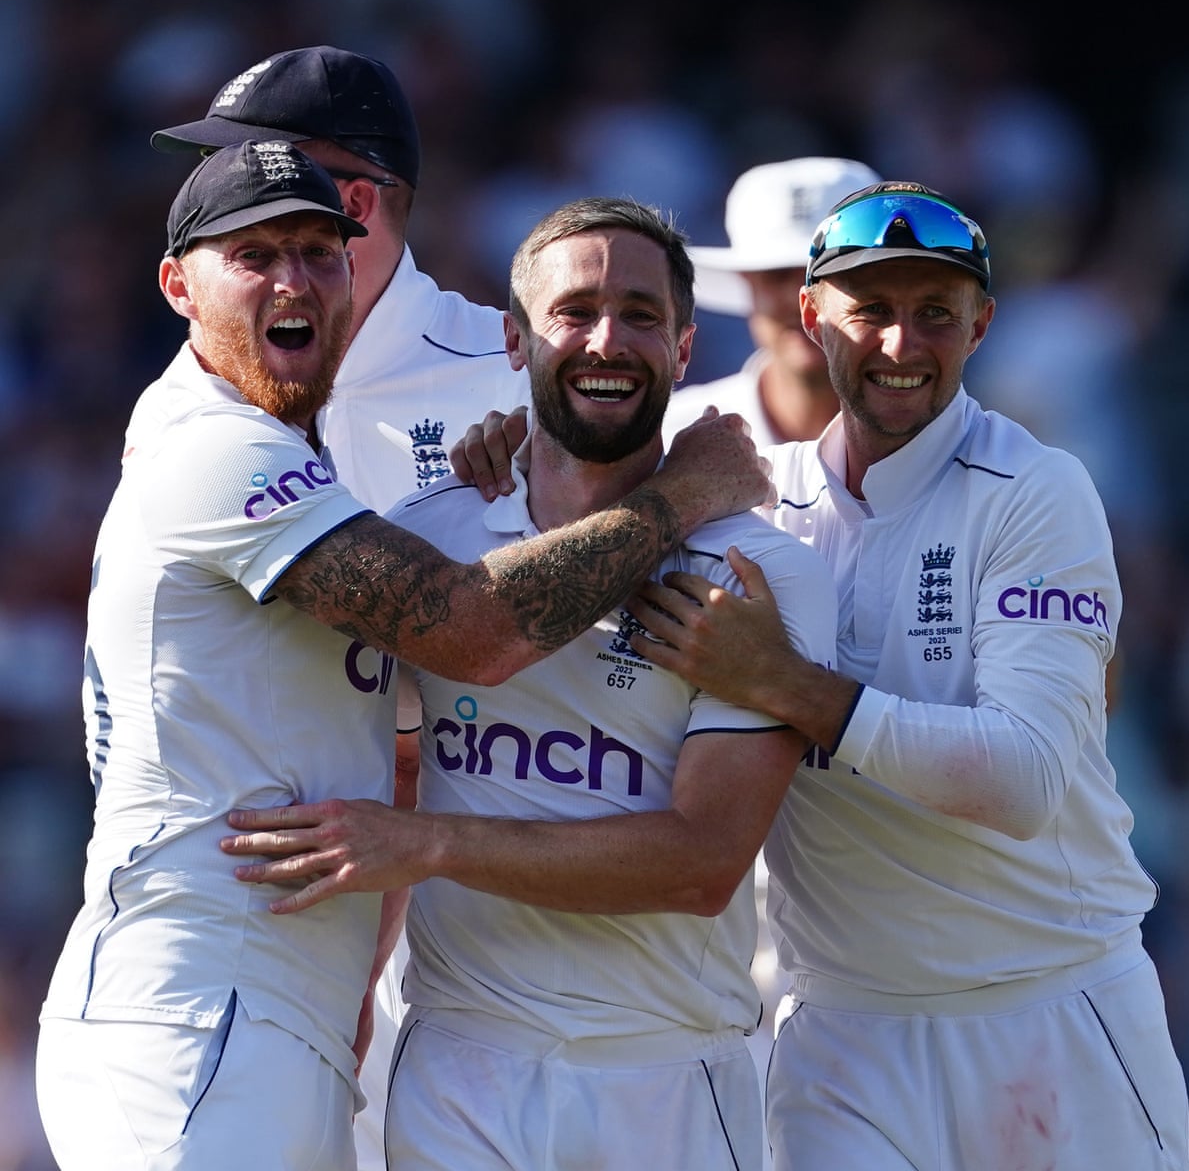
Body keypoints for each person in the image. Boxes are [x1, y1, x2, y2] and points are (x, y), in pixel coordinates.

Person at [34, 145, 771, 1171]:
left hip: (277, 1013)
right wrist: (680, 493)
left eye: (319, 251)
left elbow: (400, 758)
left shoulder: (299, 458)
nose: (295, 280)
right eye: (254, 256)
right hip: (196, 1007)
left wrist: (507, 475)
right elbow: (474, 630)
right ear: (176, 285)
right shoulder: (215, 448)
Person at [218, 196, 839, 1170]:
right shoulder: (433, 536)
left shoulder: (759, 568)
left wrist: (424, 846)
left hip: (667, 1077)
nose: (607, 339)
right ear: (513, 339)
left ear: (684, 349)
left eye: (640, 315)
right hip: (462, 1068)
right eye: (574, 311)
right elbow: (399, 770)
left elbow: (703, 863)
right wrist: (343, 994)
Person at [624, 182, 1189, 1169]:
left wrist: (788, 686)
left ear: (982, 326)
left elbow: (1022, 780)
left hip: (1052, 1009)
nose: (901, 344)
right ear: (812, 317)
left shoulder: (1036, 490)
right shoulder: (758, 505)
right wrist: (493, 448)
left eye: (935, 313)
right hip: (841, 1031)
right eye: (870, 310)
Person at [151, 45, 533, 1165]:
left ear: (358, 202)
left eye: (275, 174)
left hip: (482, 914)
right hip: (261, 915)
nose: (238, 197)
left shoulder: (512, 366)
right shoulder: (199, 385)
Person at [151, 43, 527, 510]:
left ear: (352, 207)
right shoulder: (188, 393)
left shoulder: (522, 377)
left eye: (256, 164)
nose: (220, 183)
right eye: (212, 162)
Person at [663, 156, 879, 448]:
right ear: (746, 283)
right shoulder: (669, 438)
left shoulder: (943, 439)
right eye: (777, 276)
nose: (802, 300)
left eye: (828, 275)